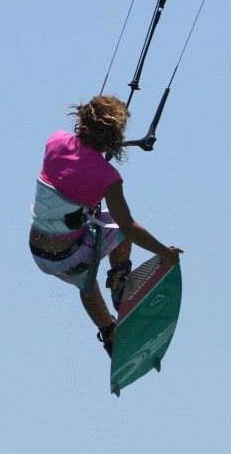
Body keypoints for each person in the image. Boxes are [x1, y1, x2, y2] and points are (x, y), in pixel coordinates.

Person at [29, 95, 183, 357]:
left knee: (85, 281)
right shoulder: (107, 177)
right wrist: (164, 254)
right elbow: (129, 227)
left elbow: (76, 164)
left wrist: (100, 148)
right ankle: (120, 282)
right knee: (118, 228)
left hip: (40, 254)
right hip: (71, 254)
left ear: (82, 120)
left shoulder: (54, 140)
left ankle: (110, 334)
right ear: (113, 135)